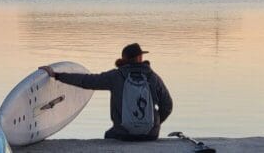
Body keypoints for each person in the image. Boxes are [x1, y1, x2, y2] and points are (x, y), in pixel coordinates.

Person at [39, 43, 173, 141]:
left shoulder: (116, 76)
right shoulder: (153, 77)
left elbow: (86, 81)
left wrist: (57, 75)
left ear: (124, 59)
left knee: (109, 136)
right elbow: (167, 105)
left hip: (123, 133)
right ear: (139, 58)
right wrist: (153, 123)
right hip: (150, 134)